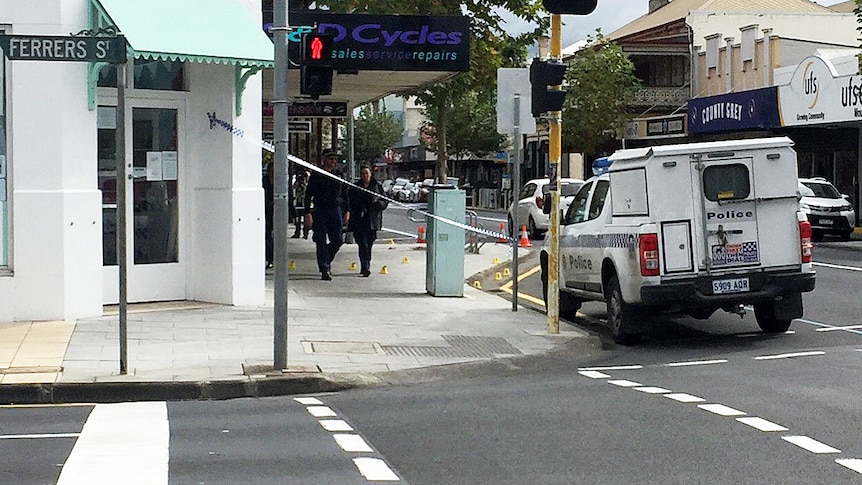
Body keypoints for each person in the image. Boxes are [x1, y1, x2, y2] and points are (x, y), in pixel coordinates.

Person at [304, 149, 349, 280]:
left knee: (338, 240)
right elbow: (309, 195)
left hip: (336, 210)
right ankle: (325, 269)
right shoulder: (317, 174)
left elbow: (345, 193)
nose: (333, 162)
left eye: (335, 159)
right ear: (324, 159)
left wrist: (347, 210)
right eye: (330, 159)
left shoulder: (338, 174)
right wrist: (307, 213)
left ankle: (326, 259)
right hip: (320, 210)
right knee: (321, 240)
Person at [348, 165, 389, 277]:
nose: (365, 176)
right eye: (362, 174)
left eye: (366, 173)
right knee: (362, 244)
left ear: (370, 174)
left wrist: (378, 204)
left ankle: (366, 264)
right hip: (359, 220)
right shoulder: (356, 187)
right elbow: (350, 202)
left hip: (372, 220)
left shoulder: (377, 186)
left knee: (369, 243)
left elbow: (385, 201)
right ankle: (365, 266)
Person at [263, 161, 274, 269]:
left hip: (275, 211)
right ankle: (269, 258)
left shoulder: (279, 182)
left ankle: (271, 258)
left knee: (271, 235)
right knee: (267, 235)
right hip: (265, 210)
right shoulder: (264, 181)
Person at [291, 171, 309, 239]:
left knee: (305, 219)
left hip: (304, 203)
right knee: (297, 219)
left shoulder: (307, 184)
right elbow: (294, 188)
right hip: (298, 202)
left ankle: (305, 233)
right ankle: (297, 232)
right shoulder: (297, 184)